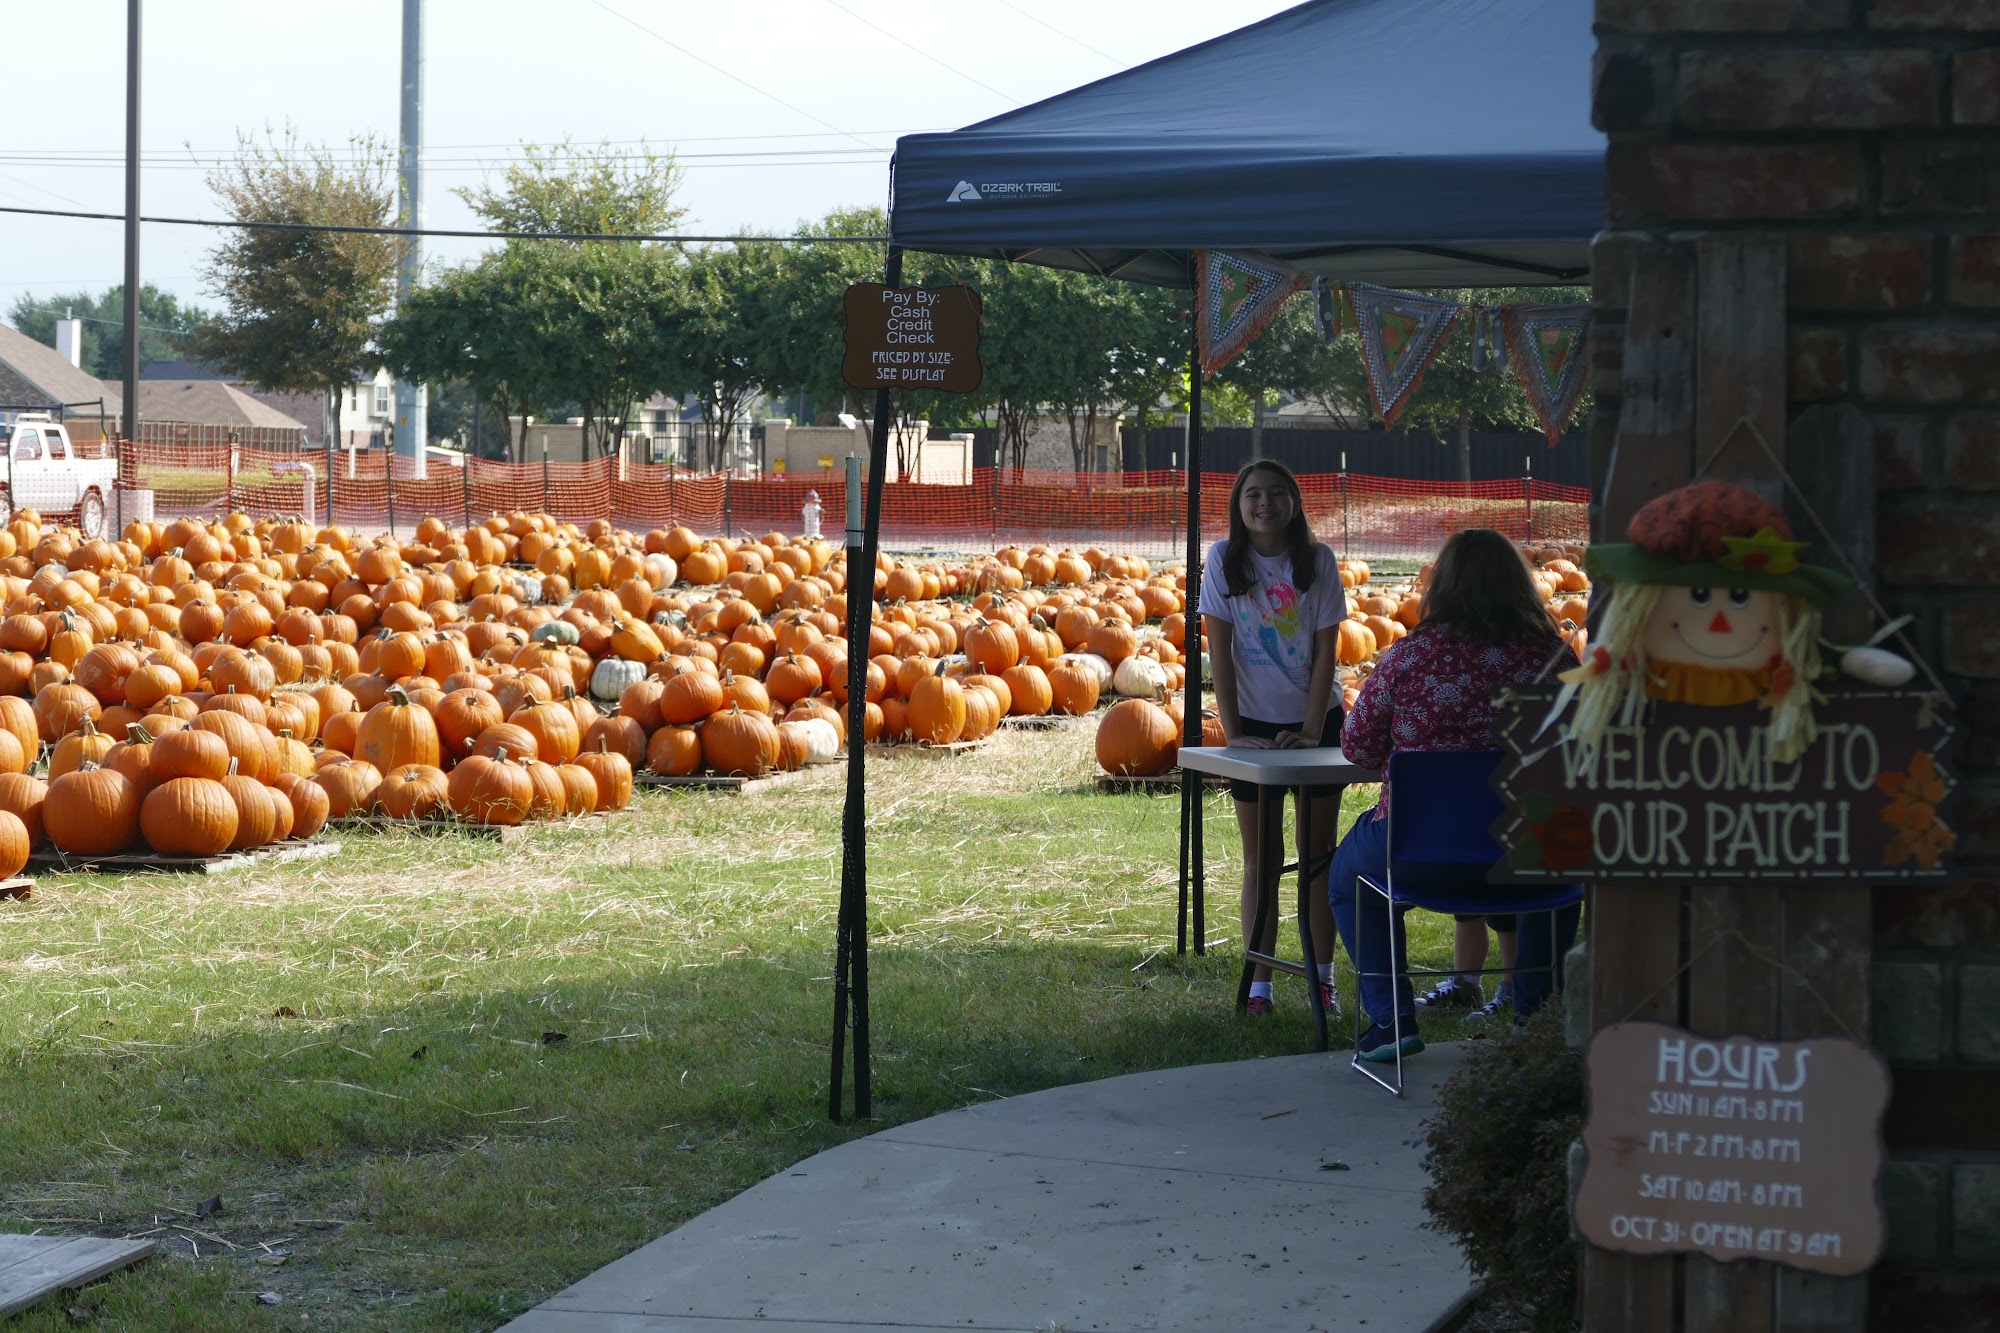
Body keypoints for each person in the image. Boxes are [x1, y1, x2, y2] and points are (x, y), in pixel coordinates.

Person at [1328, 527, 1580, 1062]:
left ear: (1441, 586)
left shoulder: (1408, 658)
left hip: (1420, 855)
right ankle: (1536, 1018)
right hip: (1526, 857)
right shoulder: (1555, 661)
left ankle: (1391, 1020)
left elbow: (1357, 746)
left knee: (1348, 877)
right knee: (1559, 855)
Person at [1197, 460, 1347, 1017]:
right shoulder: (1222, 560)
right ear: (1238, 506)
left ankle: (1322, 980)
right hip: (1254, 726)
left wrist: (1311, 731)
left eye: (1278, 493)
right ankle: (1259, 985)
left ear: (1295, 503)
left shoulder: (1318, 560)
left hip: (1317, 721)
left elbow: (1328, 651)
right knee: (1261, 858)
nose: (1265, 503)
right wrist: (1234, 732)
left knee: (1317, 855)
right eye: (1254, 494)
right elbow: (1219, 651)